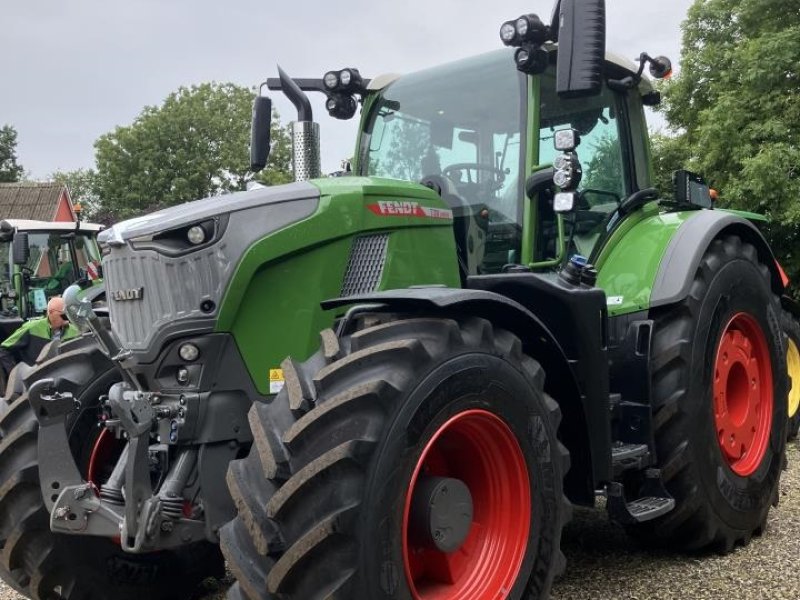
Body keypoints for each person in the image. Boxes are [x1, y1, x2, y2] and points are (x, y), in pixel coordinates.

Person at [0, 297, 79, 374]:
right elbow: (4, 349)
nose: (67, 319)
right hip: (34, 379)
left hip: (63, 377)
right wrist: (14, 374)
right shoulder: (31, 328)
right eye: (63, 315)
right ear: (51, 312)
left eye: (68, 315)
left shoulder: (75, 332)